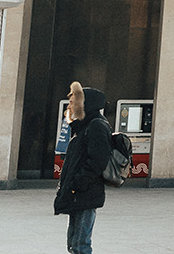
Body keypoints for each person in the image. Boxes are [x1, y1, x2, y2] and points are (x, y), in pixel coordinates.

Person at [54, 81, 110, 254]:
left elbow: (97, 161)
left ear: (86, 104)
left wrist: (78, 183)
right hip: (78, 192)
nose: (70, 104)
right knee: (73, 243)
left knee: (80, 244)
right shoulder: (84, 127)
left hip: (86, 192)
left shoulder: (96, 126)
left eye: (74, 101)